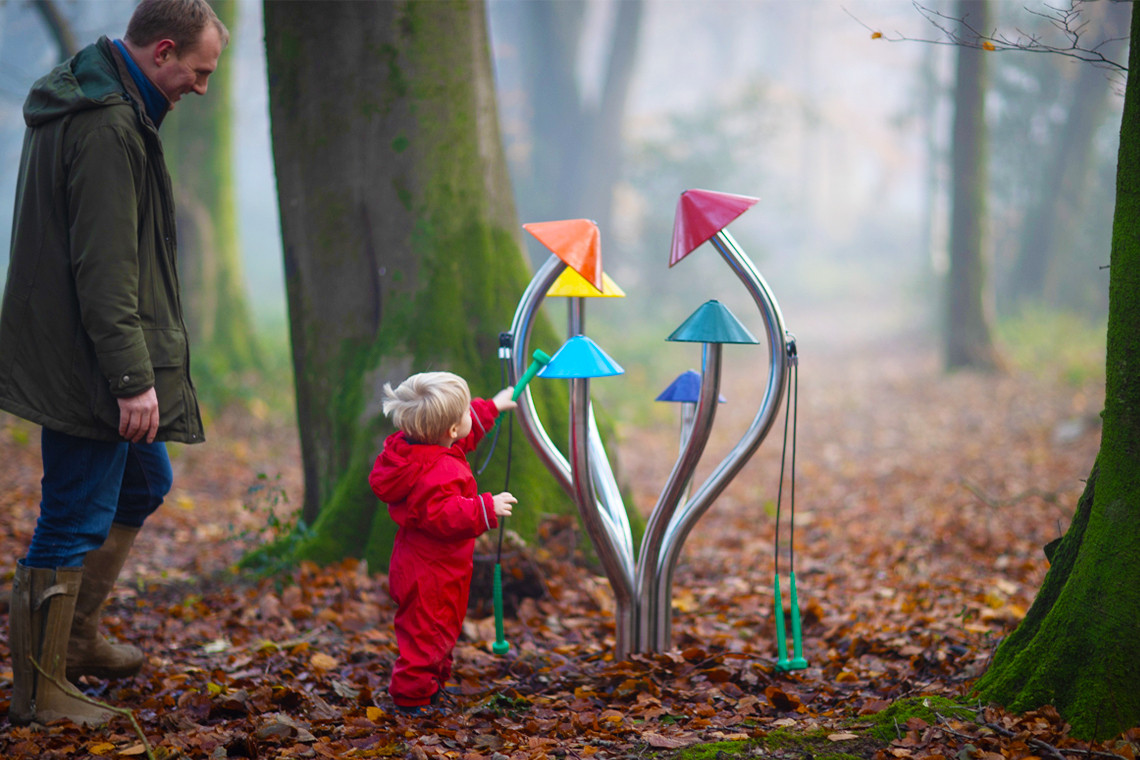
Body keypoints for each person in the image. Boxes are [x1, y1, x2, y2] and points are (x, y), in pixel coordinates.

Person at [0, 0, 227, 726]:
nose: (202, 86)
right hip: (87, 362)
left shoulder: (112, 104)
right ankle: (41, 694)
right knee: (71, 517)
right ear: (163, 52)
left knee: (145, 479)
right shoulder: (104, 125)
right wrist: (133, 380)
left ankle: (77, 641)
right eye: (198, 71)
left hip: (88, 350)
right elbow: (104, 270)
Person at [368, 372, 518, 715]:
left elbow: (461, 437)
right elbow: (444, 514)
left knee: (439, 629)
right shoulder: (438, 471)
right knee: (427, 635)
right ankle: (412, 699)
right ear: (449, 429)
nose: (470, 416)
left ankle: (432, 687)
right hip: (430, 573)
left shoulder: (420, 451)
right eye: (465, 411)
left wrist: (492, 406)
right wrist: (485, 507)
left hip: (431, 566)